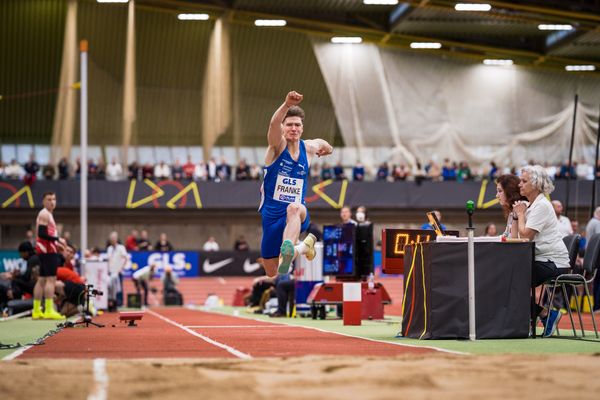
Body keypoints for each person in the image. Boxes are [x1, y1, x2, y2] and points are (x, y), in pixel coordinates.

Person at [259, 91, 333, 277]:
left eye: (297, 125)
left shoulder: (308, 149)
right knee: (271, 271)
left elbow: (323, 143)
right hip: (272, 215)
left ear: (302, 128)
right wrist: (286, 105)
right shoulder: (276, 146)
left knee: (293, 208)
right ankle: (303, 248)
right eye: (289, 124)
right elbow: (273, 124)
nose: (293, 128)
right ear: (283, 128)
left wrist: (328, 149)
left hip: (298, 212)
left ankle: (291, 249)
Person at [511, 165, 570, 337]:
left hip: (554, 263)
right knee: (509, 278)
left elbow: (526, 236)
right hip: (542, 260)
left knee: (511, 280)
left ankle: (545, 315)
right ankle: (544, 314)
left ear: (536, 184)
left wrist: (520, 214)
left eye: (524, 181)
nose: (519, 185)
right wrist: (517, 215)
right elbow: (516, 238)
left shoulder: (542, 206)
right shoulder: (531, 206)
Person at [32, 192, 67, 320]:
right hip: (47, 251)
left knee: (41, 280)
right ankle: (48, 310)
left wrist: (57, 243)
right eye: (49, 199)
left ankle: (36, 310)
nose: (52, 202)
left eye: (54, 199)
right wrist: (58, 239)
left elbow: (45, 235)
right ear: (43, 201)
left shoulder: (47, 214)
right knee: (51, 279)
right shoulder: (44, 214)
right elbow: (41, 234)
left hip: (46, 250)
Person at [106, 231, 128, 309]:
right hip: (111, 271)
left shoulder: (121, 247)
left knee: (119, 287)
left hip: (118, 271)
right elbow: (108, 260)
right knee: (111, 288)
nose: (112, 240)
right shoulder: (109, 248)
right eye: (111, 239)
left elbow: (126, 258)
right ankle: (112, 302)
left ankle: (120, 302)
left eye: (114, 239)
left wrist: (121, 269)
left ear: (116, 239)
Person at [586, 207, 600, 312]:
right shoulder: (596, 222)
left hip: (592, 256)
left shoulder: (592, 222)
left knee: (597, 281)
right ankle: (598, 306)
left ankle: (596, 306)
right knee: (598, 281)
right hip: (597, 255)